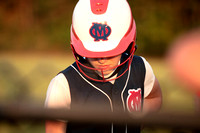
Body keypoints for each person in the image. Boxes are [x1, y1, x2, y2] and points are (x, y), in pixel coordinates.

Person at [45, 0, 162, 133]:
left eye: (111, 53)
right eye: (94, 54)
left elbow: (154, 97)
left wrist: (135, 122)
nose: (102, 60)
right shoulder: (63, 84)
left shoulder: (140, 68)